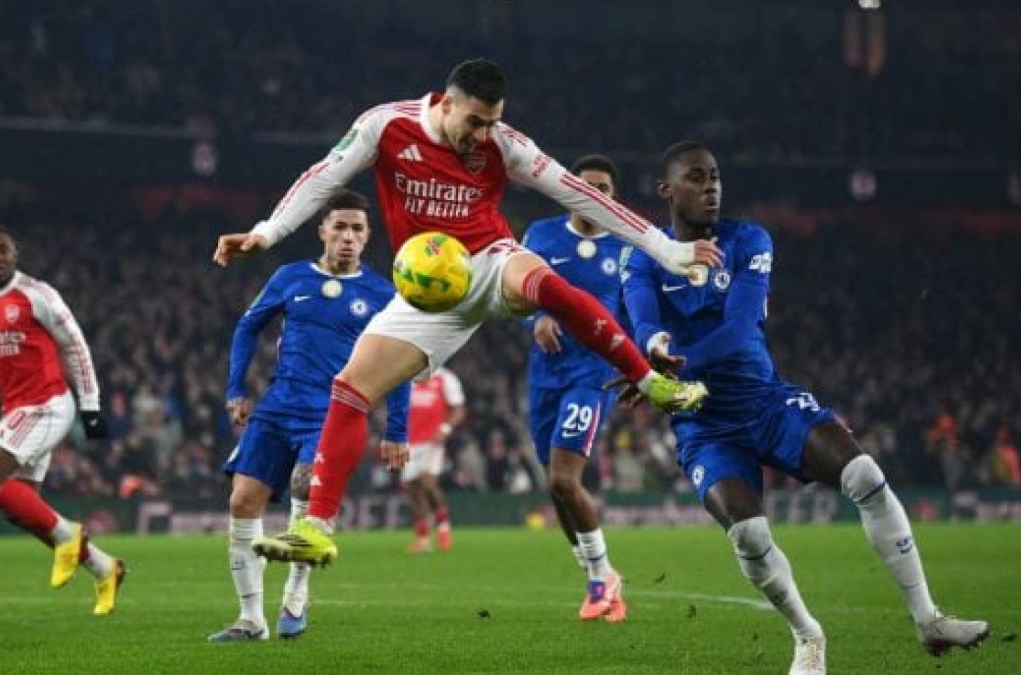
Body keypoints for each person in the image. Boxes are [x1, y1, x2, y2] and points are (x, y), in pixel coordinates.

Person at [213, 58, 722, 567]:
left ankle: (653, 382)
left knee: (548, 285)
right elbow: (323, 177)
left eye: (492, 122)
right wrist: (267, 232)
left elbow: (579, 193)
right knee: (350, 387)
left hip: (489, 260)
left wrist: (666, 248)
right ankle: (317, 528)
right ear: (446, 103)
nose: (482, 135)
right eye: (474, 122)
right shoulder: (386, 126)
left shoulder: (505, 144)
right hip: (427, 291)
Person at [620, 141, 989, 675]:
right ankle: (808, 636)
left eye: (715, 176)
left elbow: (738, 331)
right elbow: (644, 322)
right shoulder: (641, 256)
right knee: (748, 535)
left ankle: (928, 619)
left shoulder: (749, 240)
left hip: (766, 401)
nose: (711, 186)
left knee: (865, 475)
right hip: (704, 426)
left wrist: (666, 367)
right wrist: (651, 352)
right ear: (667, 191)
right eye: (696, 177)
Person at [210, 191, 410, 641]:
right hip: (279, 405)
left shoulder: (382, 293)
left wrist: (397, 429)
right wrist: (236, 389)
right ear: (322, 231)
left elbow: (401, 361)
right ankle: (250, 620)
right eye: (339, 227)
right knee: (242, 501)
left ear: (367, 237)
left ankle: (295, 596)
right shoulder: (290, 277)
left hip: (333, 413)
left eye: (357, 229)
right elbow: (248, 326)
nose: (347, 237)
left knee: (305, 487)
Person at [0, 225, 124, 615]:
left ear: (15, 254)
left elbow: (76, 346)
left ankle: (70, 536)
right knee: (22, 509)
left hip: (48, 404)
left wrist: (91, 407)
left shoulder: (38, 295)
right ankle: (105, 568)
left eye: (2, 250)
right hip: (18, 408)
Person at [521, 154, 629, 623]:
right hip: (544, 375)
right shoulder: (541, 236)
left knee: (565, 480)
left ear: (613, 197)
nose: (592, 194)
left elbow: (637, 312)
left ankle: (601, 578)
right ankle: (602, 577)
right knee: (556, 489)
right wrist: (536, 317)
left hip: (592, 375)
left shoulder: (627, 248)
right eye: (584, 186)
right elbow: (515, 290)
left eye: (602, 188)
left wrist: (639, 364)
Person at [402, 366, 466, 554]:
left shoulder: (445, 378)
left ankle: (444, 528)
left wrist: (446, 428)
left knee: (427, 482)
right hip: (409, 442)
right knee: (415, 490)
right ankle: (423, 540)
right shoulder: (408, 377)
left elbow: (459, 409)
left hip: (432, 442)